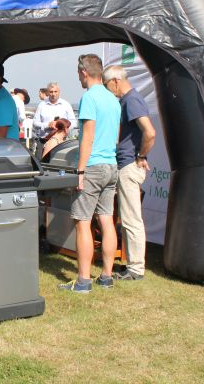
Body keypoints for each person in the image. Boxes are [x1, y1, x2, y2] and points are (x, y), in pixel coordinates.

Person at [60, 53, 121, 293]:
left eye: (78, 74)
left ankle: (83, 281)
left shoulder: (89, 98)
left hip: (93, 166)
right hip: (111, 165)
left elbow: (87, 136)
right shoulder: (113, 99)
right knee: (106, 220)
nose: (78, 78)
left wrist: (80, 171)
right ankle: (106, 277)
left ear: (84, 72)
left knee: (82, 223)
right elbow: (115, 135)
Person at [103, 65, 156, 281]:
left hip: (129, 165)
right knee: (126, 217)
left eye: (106, 85)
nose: (107, 90)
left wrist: (141, 156)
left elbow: (150, 132)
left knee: (131, 218)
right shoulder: (127, 100)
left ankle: (136, 268)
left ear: (115, 81)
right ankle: (132, 264)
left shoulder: (131, 100)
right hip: (126, 163)